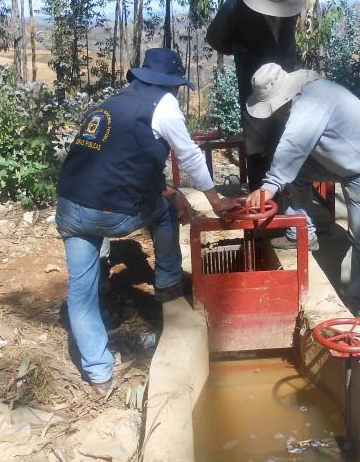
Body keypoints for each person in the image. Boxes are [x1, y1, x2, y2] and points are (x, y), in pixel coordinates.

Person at [56, 48, 236, 393]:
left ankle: (99, 374)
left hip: (70, 206)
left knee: (81, 290)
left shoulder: (112, 103)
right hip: (111, 214)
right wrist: (215, 199)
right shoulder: (163, 105)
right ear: (172, 84)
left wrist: (170, 190)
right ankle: (168, 284)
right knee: (165, 212)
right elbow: (189, 154)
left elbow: (124, 165)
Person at [244, 63, 360, 320]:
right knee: (294, 174)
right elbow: (293, 155)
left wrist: (268, 187)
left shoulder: (313, 101)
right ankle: (302, 234)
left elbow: (294, 143)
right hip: (344, 161)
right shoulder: (304, 98)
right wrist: (277, 180)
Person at [205, 0, 304, 189]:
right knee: (258, 143)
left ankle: (287, 195)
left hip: (286, 80)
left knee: (288, 137)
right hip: (255, 83)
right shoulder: (237, 2)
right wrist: (243, 52)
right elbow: (215, 38)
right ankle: (261, 200)